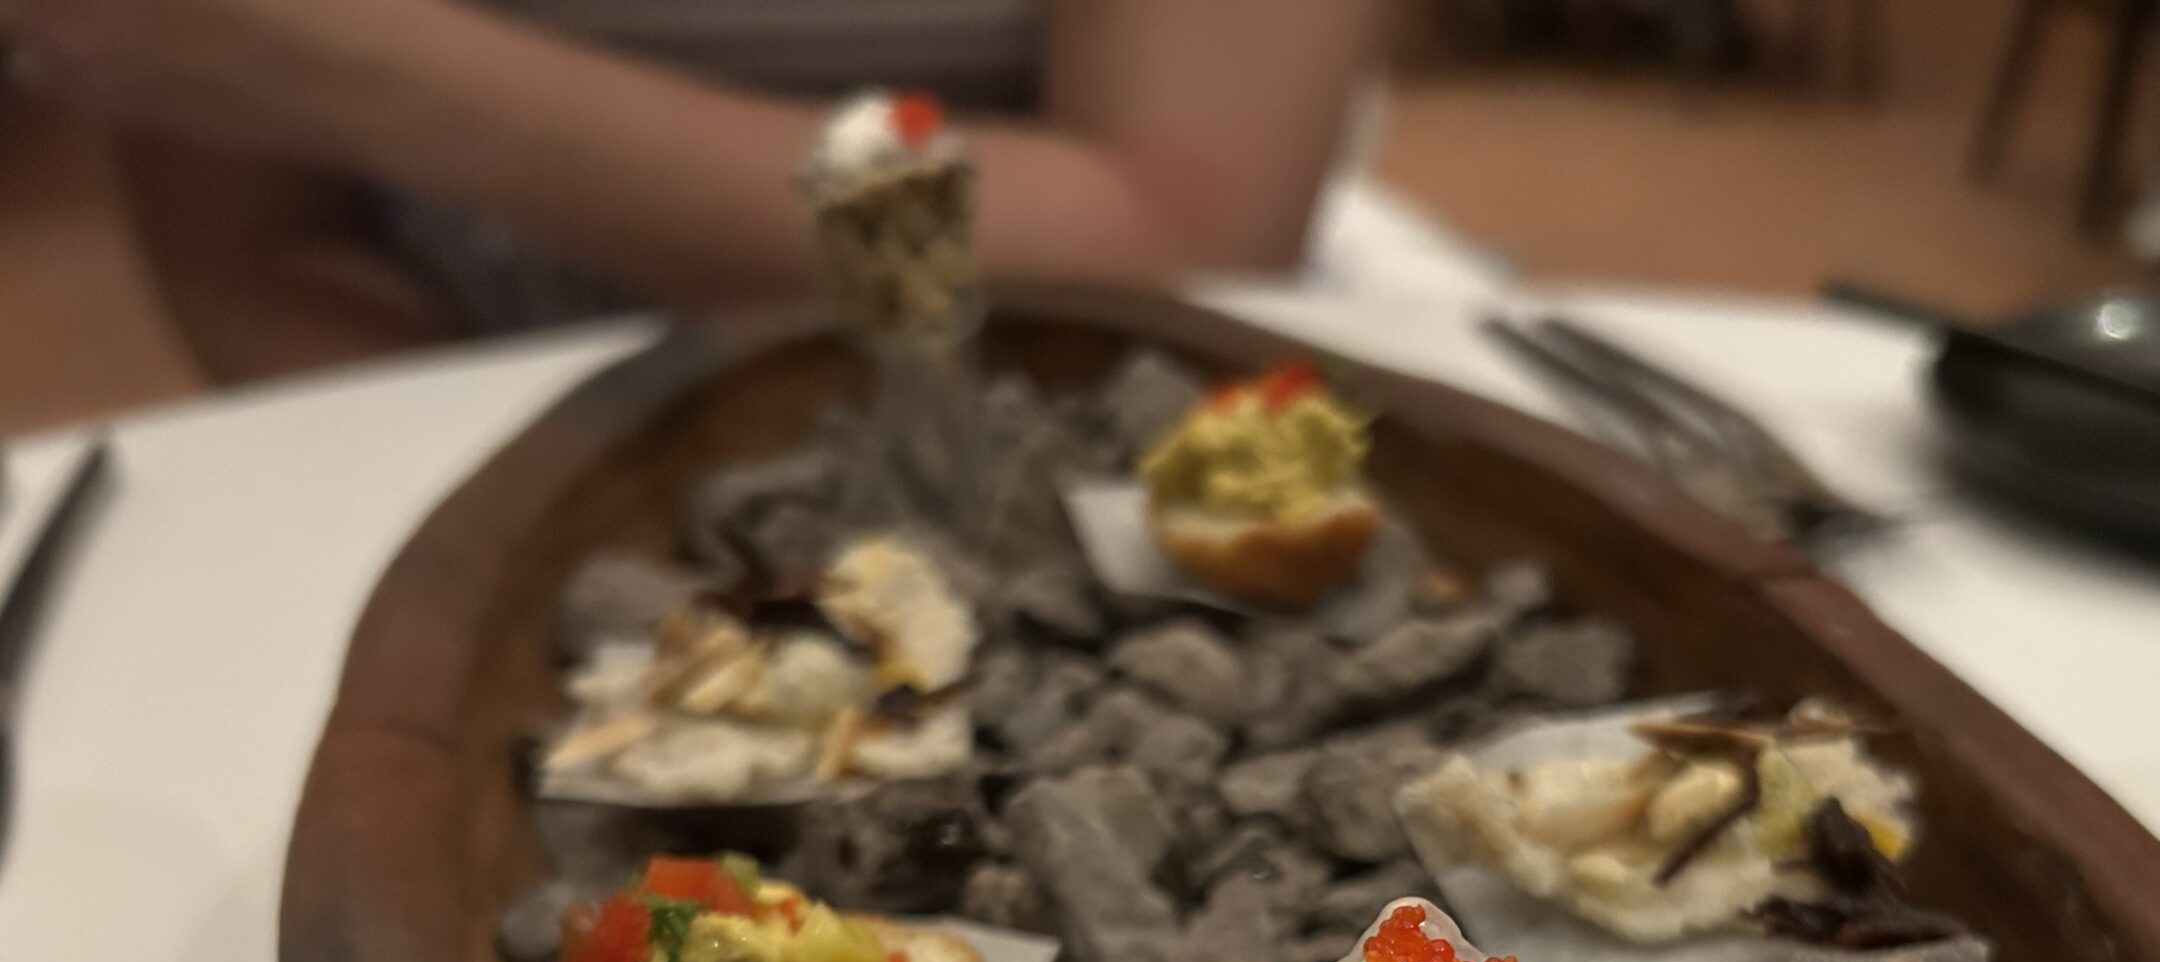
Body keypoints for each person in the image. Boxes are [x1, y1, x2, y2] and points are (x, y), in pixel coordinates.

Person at [0, 0, 1384, 381]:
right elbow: (262, 257)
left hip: (1069, 400)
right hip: (477, 401)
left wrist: (349, 63)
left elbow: (1182, 239)